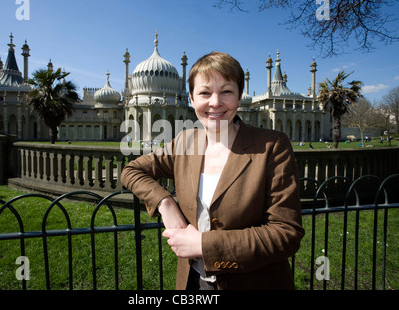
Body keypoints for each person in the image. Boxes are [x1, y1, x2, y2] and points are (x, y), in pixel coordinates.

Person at [121, 51, 304, 290]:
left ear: (239, 96)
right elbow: (132, 170)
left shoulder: (271, 146)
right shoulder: (185, 142)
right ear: (192, 98)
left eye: (226, 91)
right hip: (193, 284)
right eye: (205, 93)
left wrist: (203, 245)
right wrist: (165, 204)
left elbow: (286, 233)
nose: (215, 102)